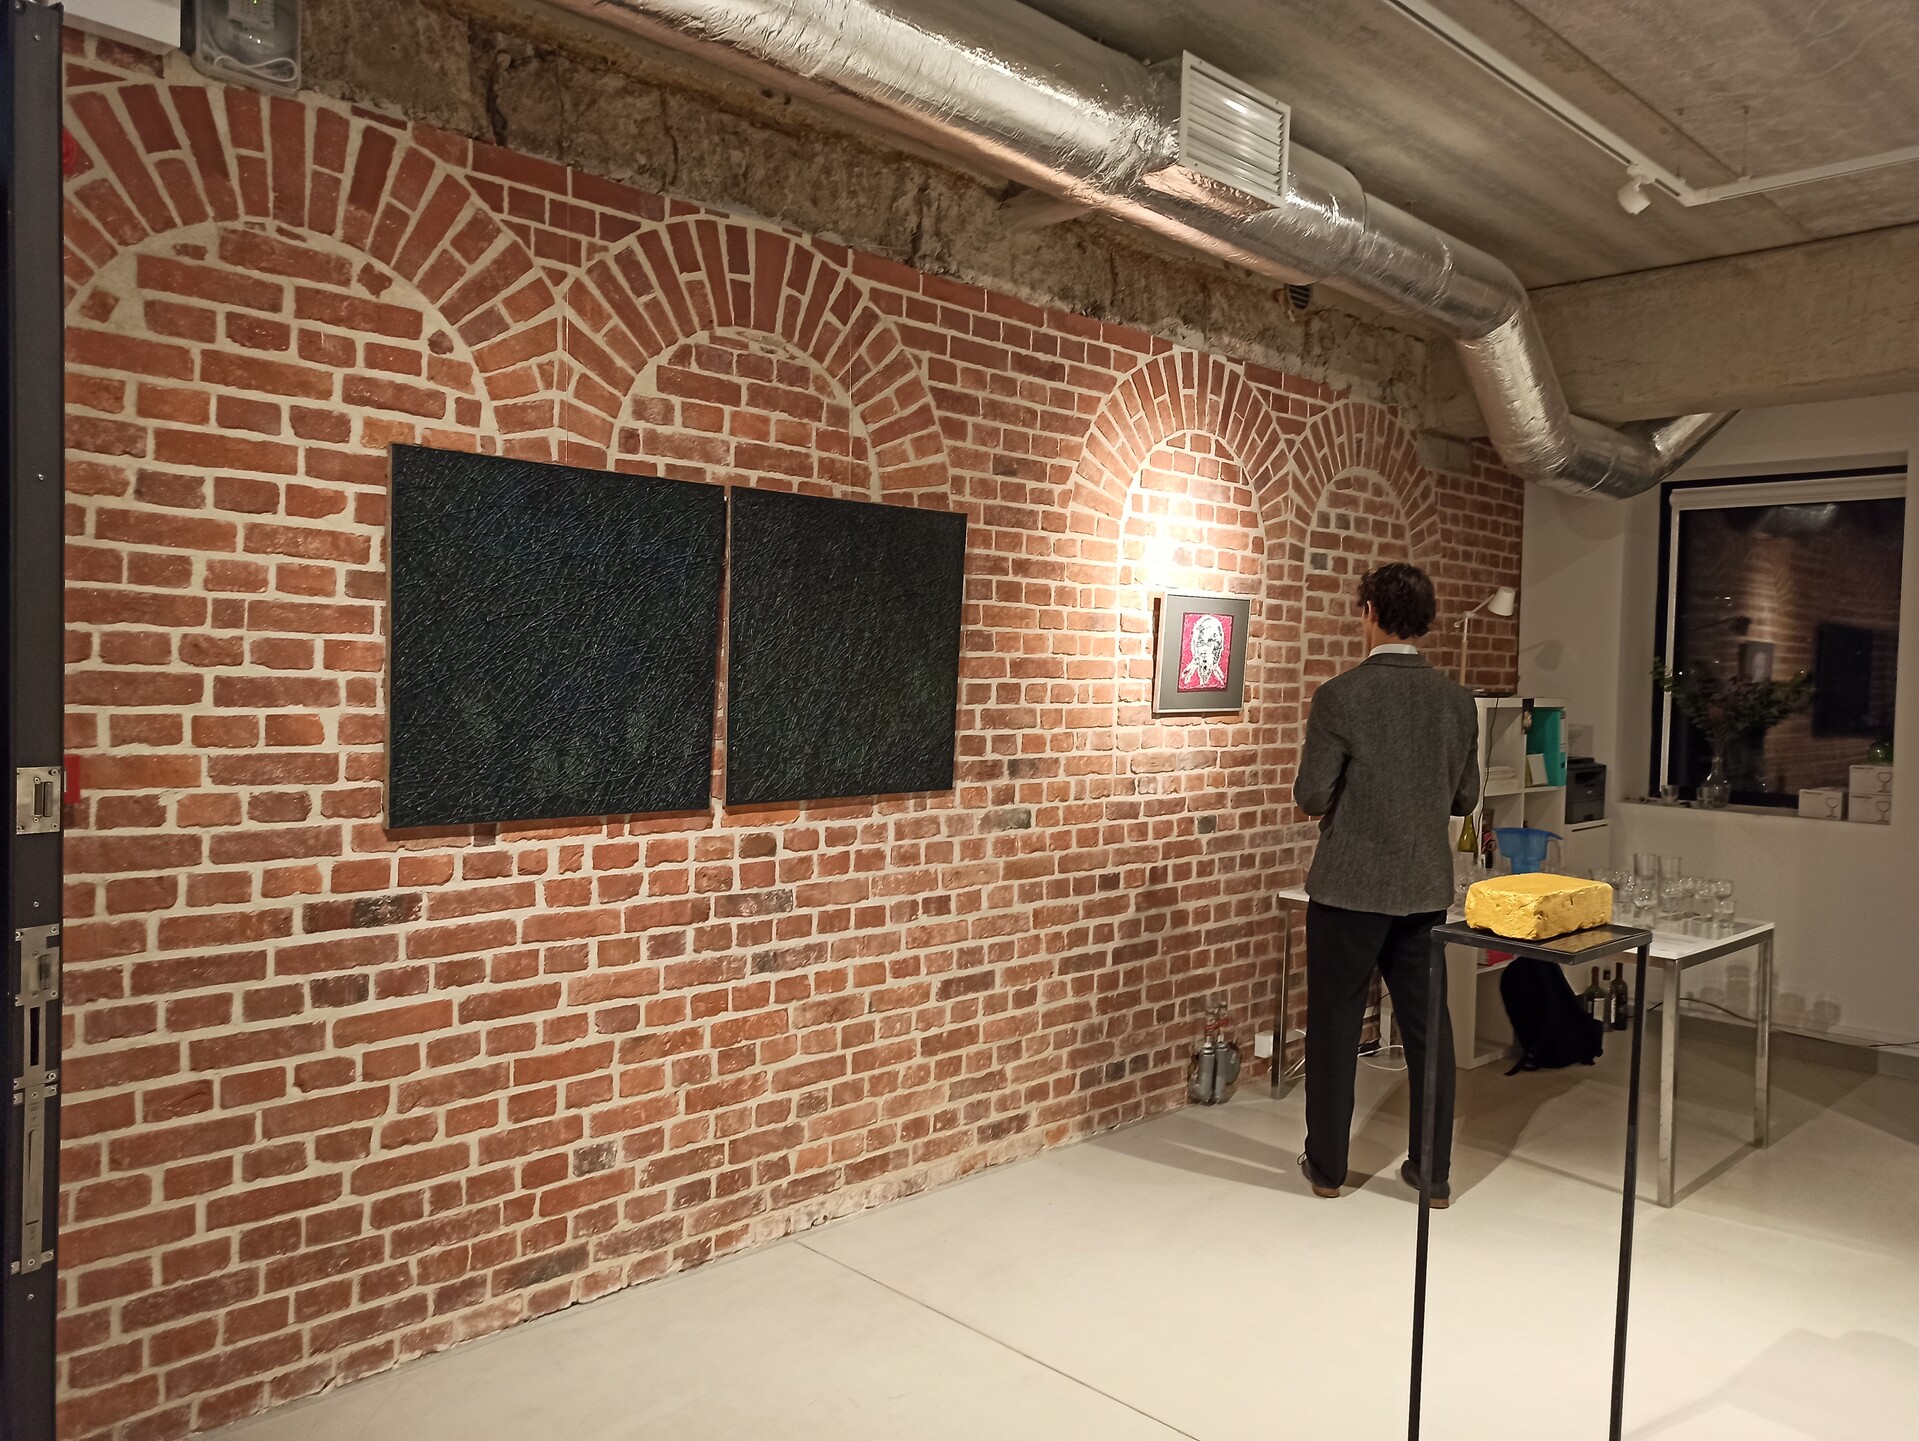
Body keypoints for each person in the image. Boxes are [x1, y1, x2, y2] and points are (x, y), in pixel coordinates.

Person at [1292, 562, 1480, 1206]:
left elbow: (1311, 794)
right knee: (1430, 1032)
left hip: (1348, 888)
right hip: (1423, 887)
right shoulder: (1456, 701)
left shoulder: (1340, 696)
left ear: (1369, 611)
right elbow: (1465, 798)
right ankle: (1433, 1175)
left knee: (1335, 1024)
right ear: (1424, 620)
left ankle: (1327, 1169)